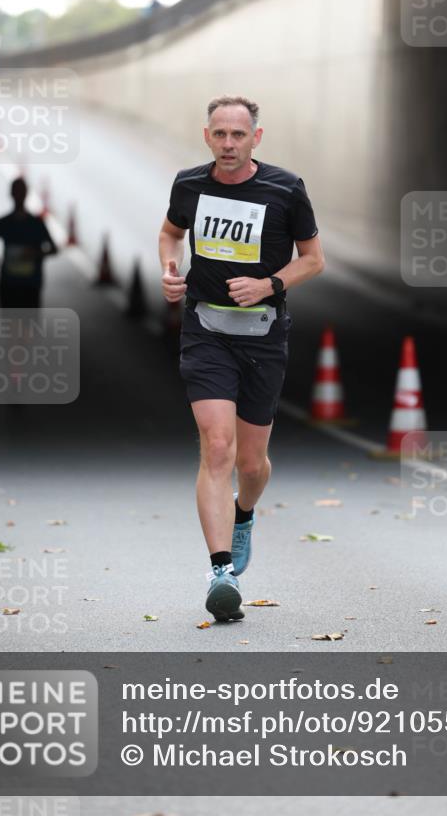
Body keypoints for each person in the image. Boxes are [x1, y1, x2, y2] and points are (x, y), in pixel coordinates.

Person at [158, 95, 325, 621]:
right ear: (206, 136)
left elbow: (314, 260)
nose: (228, 144)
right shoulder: (190, 185)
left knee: (251, 465)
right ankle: (220, 571)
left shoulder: (285, 189)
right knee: (218, 446)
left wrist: (269, 283)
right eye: (219, 135)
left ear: (257, 137)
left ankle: (244, 514)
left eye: (238, 135)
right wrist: (170, 269)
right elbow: (171, 233)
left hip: (262, 336)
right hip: (205, 331)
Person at [0, 178, 58, 308]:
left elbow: (54, 249)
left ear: (26, 194)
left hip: (30, 284)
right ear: (11, 194)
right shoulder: (3, 223)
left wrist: (36, 253)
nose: (18, 195)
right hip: (9, 284)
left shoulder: (36, 224)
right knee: (9, 324)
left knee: (28, 324)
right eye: (16, 192)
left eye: (21, 192)